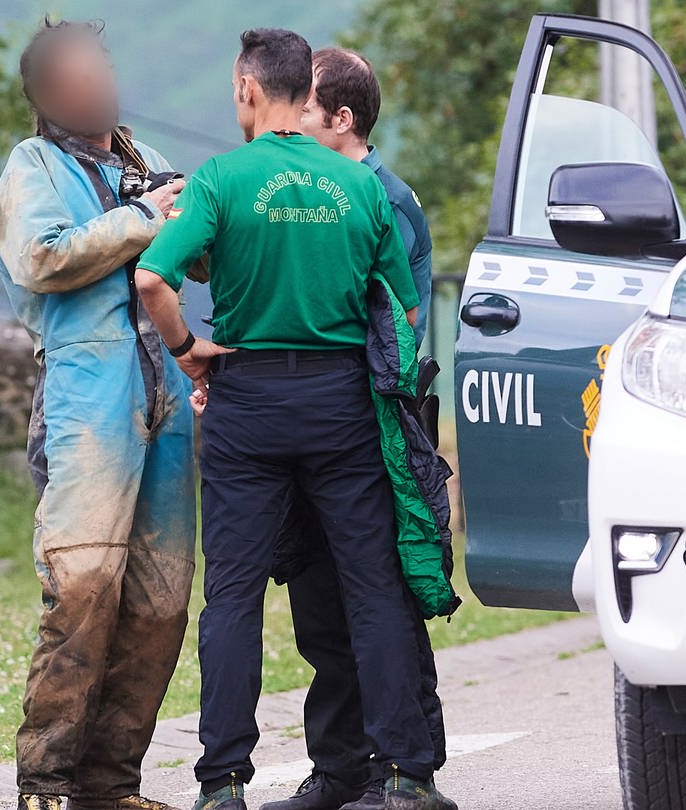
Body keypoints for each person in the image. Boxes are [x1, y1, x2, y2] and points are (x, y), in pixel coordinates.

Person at [134, 28, 455, 810]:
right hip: (343, 405)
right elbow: (403, 311)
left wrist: (188, 350)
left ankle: (222, 785)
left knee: (235, 596)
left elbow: (151, 279)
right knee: (373, 587)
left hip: (247, 405)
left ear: (248, 89)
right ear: (301, 94)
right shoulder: (360, 187)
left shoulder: (220, 181)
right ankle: (409, 776)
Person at [0, 20, 197, 810]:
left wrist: (199, 210)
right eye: (74, 70)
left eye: (99, 62)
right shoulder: (30, 165)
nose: (95, 78)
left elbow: (204, 249)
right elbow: (42, 257)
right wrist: (150, 219)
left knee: (161, 600)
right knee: (82, 585)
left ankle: (111, 785)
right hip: (84, 393)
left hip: (166, 395)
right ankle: (45, 780)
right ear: (45, 94)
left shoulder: (150, 164)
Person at [259, 48, 445, 810]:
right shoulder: (306, 194)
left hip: (371, 425)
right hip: (309, 421)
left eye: (301, 109)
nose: (288, 123)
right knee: (319, 607)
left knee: (382, 605)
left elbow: (388, 326)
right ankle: (340, 769)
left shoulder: (385, 200)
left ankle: (408, 772)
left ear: (342, 119)